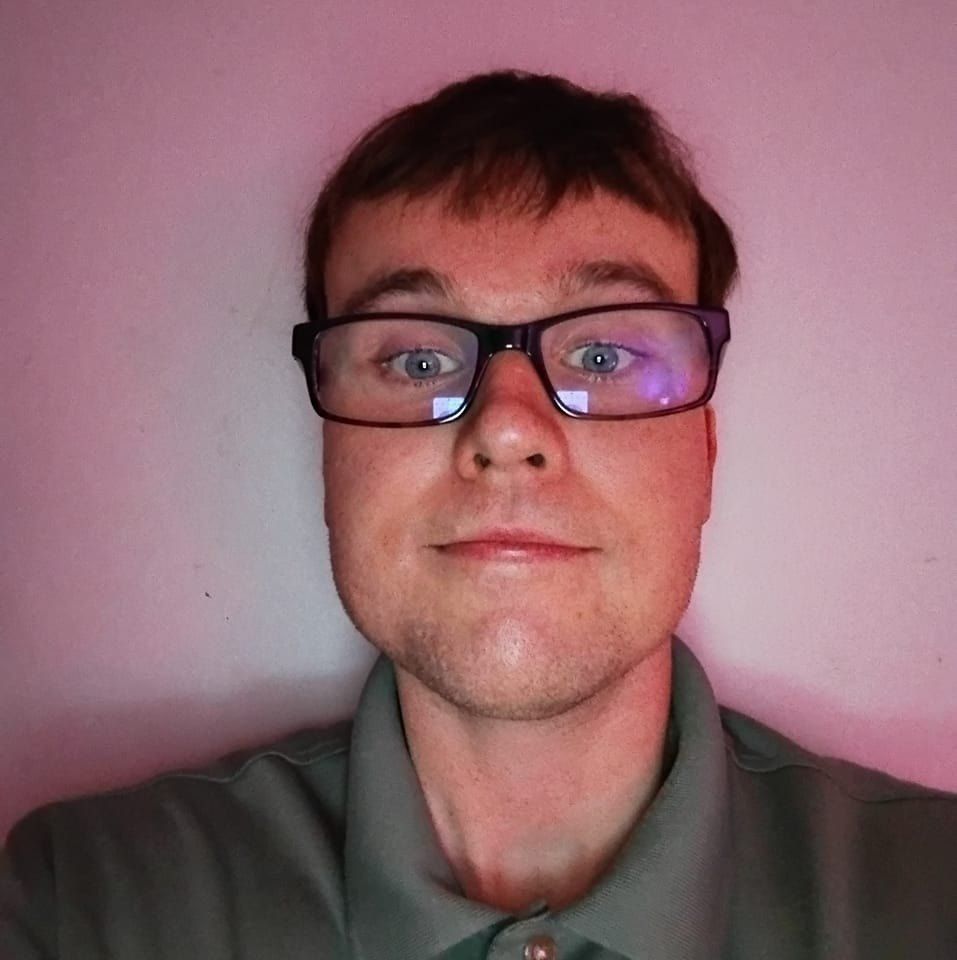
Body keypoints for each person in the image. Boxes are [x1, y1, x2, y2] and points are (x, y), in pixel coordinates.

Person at [2, 68, 955, 959]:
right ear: (331, 459)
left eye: (604, 356)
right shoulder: (87, 905)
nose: (505, 428)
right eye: (415, 360)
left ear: (702, 451)